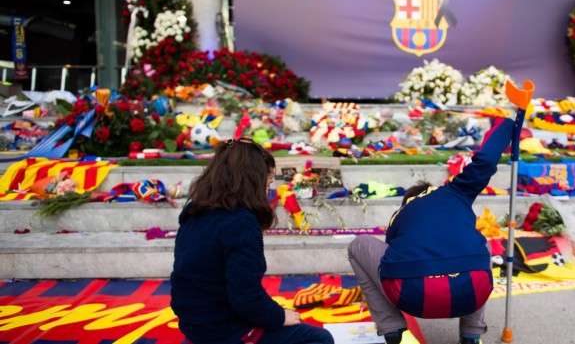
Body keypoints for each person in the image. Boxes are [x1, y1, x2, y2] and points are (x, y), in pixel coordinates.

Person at [348, 117, 514, 344]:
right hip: (472, 292)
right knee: (480, 243)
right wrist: (508, 125)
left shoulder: (400, 215)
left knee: (358, 245)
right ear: (434, 190)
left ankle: (392, 328)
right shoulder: (457, 192)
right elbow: (485, 161)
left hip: (412, 296)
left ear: (409, 200)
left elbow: (390, 260)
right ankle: (471, 334)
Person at [171, 138, 334, 344]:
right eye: (268, 181)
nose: (268, 188)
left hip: (194, 324)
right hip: (223, 329)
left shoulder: (195, 211)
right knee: (319, 339)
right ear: (253, 180)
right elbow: (245, 297)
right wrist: (279, 316)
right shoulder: (240, 222)